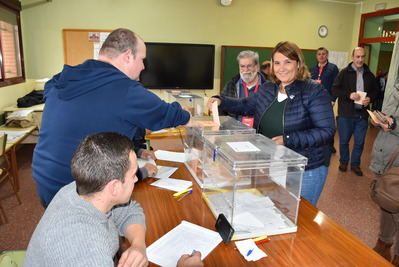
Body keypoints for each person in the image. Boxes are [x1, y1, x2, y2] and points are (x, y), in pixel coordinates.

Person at [32, 28, 192, 207]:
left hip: (45, 180)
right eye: (142, 59)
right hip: (75, 191)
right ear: (128, 56)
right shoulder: (124, 88)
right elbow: (168, 114)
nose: (144, 67)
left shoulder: (66, 78)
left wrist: (138, 151)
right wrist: (192, 119)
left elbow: (92, 124)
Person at [25, 132, 203, 267]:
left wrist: (139, 244)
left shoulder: (80, 190)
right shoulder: (87, 252)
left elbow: (129, 209)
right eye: (134, 174)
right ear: (114, 187)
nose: (136, 179)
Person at [209, 41, 335, 206]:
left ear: (298, 64)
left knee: (300, 216)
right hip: (272, 163)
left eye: (287, 62)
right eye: (277, 63)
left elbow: (326, 130)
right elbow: (245, 105)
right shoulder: (269, 89)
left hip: (306, 169)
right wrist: (221, 101)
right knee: (274, 208)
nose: (281, 68)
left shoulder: (313, 91)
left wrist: (287, 139)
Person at [332, 47, 378, 176]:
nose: (360, 59)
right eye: (357, 57)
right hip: (345, 114)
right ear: (353, 57)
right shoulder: (344, 73)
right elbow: (335, 89)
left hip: (362, 115)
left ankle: (355, 164)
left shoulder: (369, 74)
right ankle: (344, 162)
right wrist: (349, 95)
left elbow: (376, 92)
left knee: (359, 142)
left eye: (362, 57)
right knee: (344, 141)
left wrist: (370, 98)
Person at [370, 66, 399, 266]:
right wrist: (379, 120)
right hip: (387, 154)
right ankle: (384, 243)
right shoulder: (395, 89)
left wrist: (394, 123)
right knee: (388, 201)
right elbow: (389, 117)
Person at [220, 50, 267, 127]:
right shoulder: (231, 85)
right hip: (235, 135)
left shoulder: (268, 88)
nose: (245, 70)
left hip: (260, 136)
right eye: (242, 66)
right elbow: (222, 112)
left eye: (249, 66)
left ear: (257, 66)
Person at [310, 47, 339, 154]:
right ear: (316, 56)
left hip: (327, 100)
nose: (321, 56)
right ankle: (318, 143)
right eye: (319, 54)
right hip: (314, 100)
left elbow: (336, 85)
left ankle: (330, 145)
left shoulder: (333, 68)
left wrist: (333, 99)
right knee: (315, 122)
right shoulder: (312, 68)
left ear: (327, 55)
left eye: (323, 54)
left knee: (328, 122)